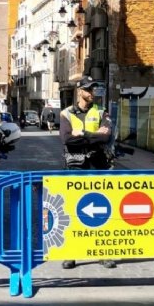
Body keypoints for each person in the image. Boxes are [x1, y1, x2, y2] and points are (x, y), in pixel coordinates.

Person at [59, 76, 115, 270]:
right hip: (75, 167)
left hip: (97, 166)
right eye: (88, 89)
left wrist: (82, 134)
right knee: (73, 210)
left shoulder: (101, 112)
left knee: (101, 210)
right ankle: (72, 254)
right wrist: (94, 136)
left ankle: (102, 253)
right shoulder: (66, 113)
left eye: (94, 89)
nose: (92, 93)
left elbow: (106, 136)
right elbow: (67, 140)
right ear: (79, 90)